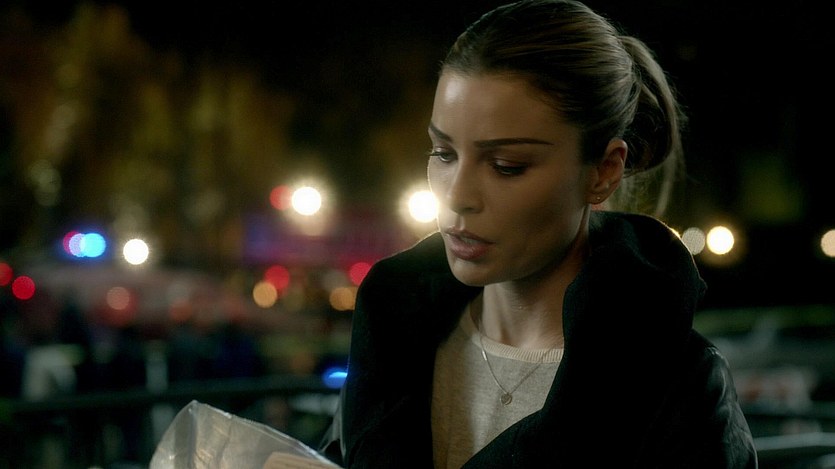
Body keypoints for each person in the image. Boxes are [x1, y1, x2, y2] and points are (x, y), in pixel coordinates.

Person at [318, 0, 758, 467]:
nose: (457, 196)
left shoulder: (676, 386)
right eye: (443, 154)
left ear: (604, 171)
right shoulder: (392, 338)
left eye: (507, 165)